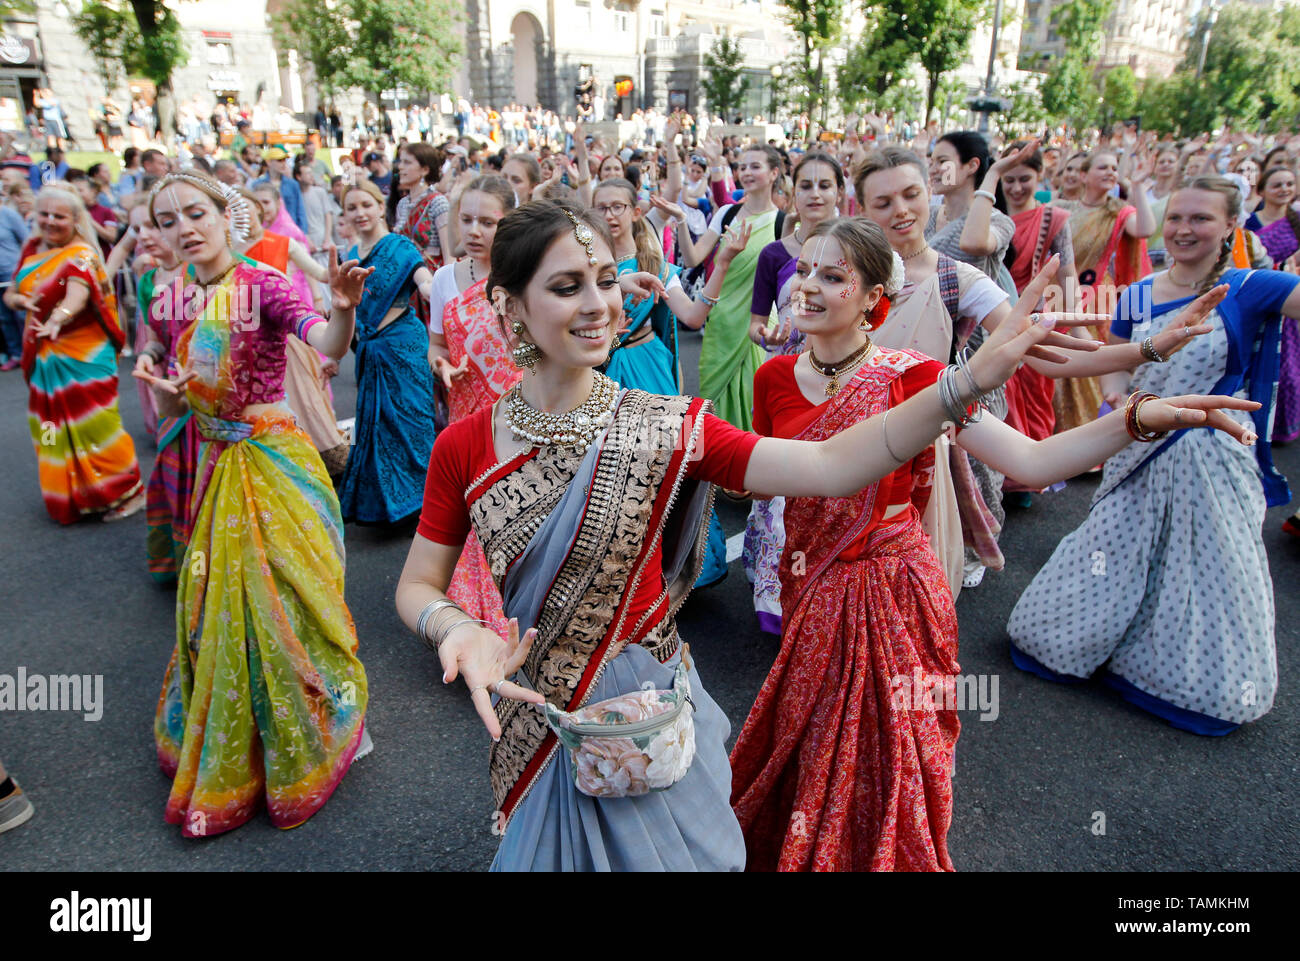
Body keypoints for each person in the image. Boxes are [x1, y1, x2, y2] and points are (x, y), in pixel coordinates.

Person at [393, 199, 1245, 871]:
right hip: (541, 707)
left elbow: (837, 465)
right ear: (509, 304)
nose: (600, 303)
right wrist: (456, 625)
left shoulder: (671, 425)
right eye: (567, 285)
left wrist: (987, 385)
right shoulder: (464, 445)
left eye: (607, 280)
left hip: (655, 695)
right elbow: (418, 583)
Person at [729, 216, 1252, 871]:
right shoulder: (773, 379)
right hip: (812, 588)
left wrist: (1137, 418)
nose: (807, 286)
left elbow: (1030, 461)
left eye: (832, 275)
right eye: (803, 270)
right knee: (811, 735)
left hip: (894, 597)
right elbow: (768, 486)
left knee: (895, 747)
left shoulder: (917, 378)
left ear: (873, 298)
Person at [1009, 176, 1299, 737]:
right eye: (1177, 218)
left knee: (1205, 568)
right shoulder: (1139, 292)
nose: (1185, 229)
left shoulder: (1252, 287)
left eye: (1201, 219)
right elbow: (1118, 361)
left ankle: (1180, 681)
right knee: (1112, 548)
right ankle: (1081, 647)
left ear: (1230, 227)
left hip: (1211, 455)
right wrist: (1117, 393)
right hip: (1136, 438)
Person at [137, 171, 373, 837]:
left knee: (290, 599)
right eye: (166, 219)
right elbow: (181, 398)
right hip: (215, 467)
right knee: (218, 605)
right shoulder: (172, 299)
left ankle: (324, 714)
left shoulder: (261, 283)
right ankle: (248, 735)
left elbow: (324, 343)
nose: (183, 227)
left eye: (194, 212)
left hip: (272, 462)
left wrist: (345, 307)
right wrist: (163, 389)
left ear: (223, 215)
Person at [742, 150, 843, 633]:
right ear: (792, 192)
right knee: (782, 488)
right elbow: (756, 324)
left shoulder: (856, 250)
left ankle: (826, 594)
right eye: (807, 185)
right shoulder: (775, 255)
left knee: (833, 485)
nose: (817, 193)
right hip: (787, 377)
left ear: (840, 193)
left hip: (844, 375)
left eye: (826, 185)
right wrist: (770, 335)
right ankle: (778, 596)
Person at [4, 183, 143, 523]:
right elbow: (10, 293)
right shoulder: (32, 247)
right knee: (49, 426)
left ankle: (127, 490)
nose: (51, 221)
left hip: (84, 355)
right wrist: (21, 301)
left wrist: (56, 320)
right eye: (44, 214)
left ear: (76, 219)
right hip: (43, 354)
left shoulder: (81, 253)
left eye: (59, 216)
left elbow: (76, 295)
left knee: (96, 426)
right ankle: (70, 493)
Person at [427, 175, 518, 638]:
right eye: (467, 219)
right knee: (472, 519)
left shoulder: (520, 276)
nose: (475, 230)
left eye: (488, 220)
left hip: (516, 417)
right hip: (465, 414)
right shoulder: (444, 280)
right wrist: (441, 366)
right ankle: (474, 624)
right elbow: (435, 345)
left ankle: (519, 619)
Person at [339, 179, 438, 523]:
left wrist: (434, 290)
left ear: (380, 207)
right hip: (369, 350)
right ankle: (386, 505)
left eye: (366, 205)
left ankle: (428, 502)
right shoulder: (349, 256)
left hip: (403, 346)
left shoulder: (399, 246)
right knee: (376, 426)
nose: (359, 213)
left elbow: (423, 279)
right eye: (351, 207)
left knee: (413, 422)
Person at [672, 141, 786, 432]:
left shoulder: (783, 223)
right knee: (713, 407)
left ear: (774, 173)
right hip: (720, 324)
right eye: (743, 166)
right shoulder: (727, 214)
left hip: (758, 328)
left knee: (753, 405)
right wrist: (682, 221)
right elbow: (695, 257)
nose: (747, 172)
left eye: (756, 166)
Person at [110, 199, 191, 580]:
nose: (143, 237)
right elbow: (159, 338)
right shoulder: (147, 281)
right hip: (171, 395)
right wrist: (147, 354)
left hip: (214, 398)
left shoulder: (204, 274)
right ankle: (185, 565)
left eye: (152, 226)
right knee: (176, 478)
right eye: (137, 229)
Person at [996, 142, 1078, 498]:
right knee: (1000, 398)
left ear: (1040, 176)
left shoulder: (1054, 219)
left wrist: (1071, 320)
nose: (1015, 188)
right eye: (1008, 179)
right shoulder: (990, 220)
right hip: (995, 317)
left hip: (1039, 319)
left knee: (1036, 399)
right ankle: (1007, 476)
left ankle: (1032, 477)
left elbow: (1068, 273)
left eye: (1024, 179)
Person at [1054, 149, 1154, 433]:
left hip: (1097, 297)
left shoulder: (1119, 211)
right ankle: (1064, 439)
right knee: (1062, 364)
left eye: (1113, 168)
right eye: (1103, 167)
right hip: (1059, 294)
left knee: (1093, 364)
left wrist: (1136, 186)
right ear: (1084, 175)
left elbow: (1145, 229)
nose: (1111, 172)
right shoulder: (1061, 209)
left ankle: (1096, 435)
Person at [1244, 166, 1300, 442]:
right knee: (1259, 364)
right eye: (1277, 184)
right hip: (1260, 301)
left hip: (1293, 303)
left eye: (1290, 183)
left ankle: (1284, 426)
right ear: (1262, 190)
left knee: (1289, 369)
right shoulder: (1249, 225)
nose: (1285, 189)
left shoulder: (1297, 221)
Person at [393, 142, 452, 277]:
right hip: (406, 279)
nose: (400, 167)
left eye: (407, 162)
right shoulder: (402, 204)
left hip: (432, 279)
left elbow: (449, 255)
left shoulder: (437, 202)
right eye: (401, 161)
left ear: (424, 169)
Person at [0, 185, 29, 371]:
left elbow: (27, 240)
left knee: (21, 314)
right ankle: (16, 353)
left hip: (13, 273)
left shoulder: (8, 214)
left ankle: (31, 351)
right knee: (3, 318)